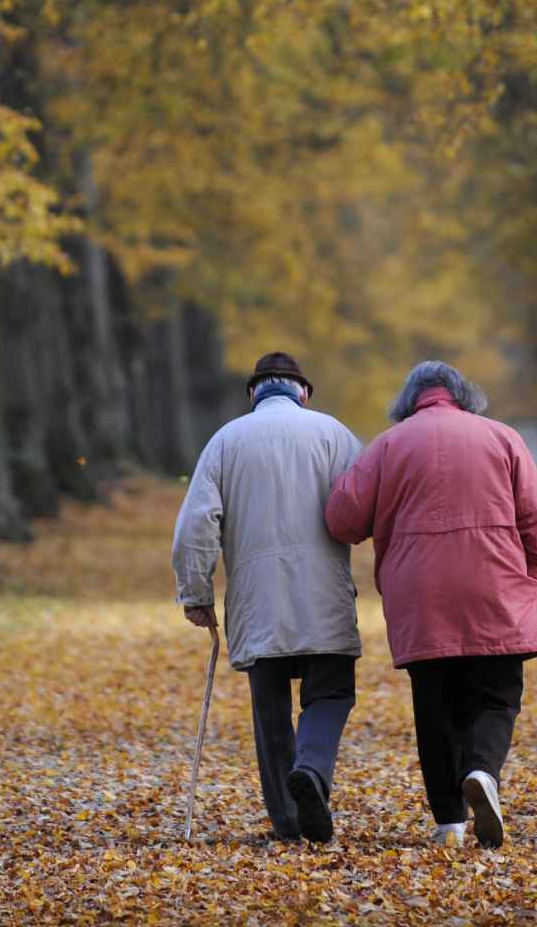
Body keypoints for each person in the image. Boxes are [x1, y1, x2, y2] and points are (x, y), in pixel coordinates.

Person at [324, 360, 537, 849]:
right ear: (463, 395)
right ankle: (482, 771)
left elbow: (343, 520)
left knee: (434, 706)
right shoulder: (503, 438)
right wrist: (534, 579)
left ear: (409, 402)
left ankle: (449, 821)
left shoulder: (387, 445)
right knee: (497, 694)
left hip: (419, 594)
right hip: (494, 584)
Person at [171, 351, 365, 843]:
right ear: (304, 392)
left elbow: (196, 524)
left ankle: (289, 820)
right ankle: (312, 771)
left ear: (253, 393)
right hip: (324, 592)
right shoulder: (335, 435)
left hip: (257, 599)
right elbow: (365, 508)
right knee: (331, 693)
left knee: (271, 709)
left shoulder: (225, 441)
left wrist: (195, 592)